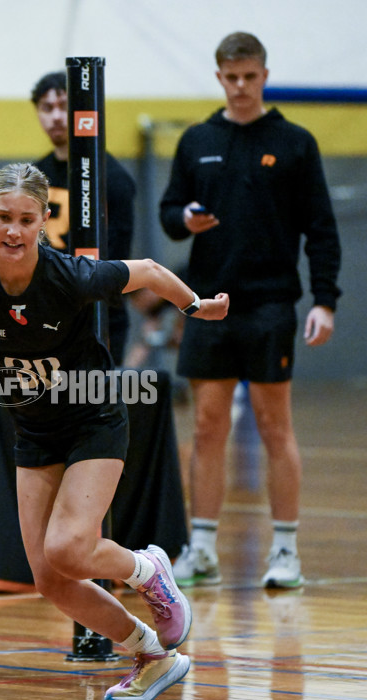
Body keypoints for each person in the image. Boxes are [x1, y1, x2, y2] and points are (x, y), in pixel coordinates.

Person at [0, 162, 229, 700]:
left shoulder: (69, 275)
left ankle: (148, 570)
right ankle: (151, 657)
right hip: (35, 430)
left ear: (44, 220)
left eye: (27, 219)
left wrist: (194, 306)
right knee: (49, 578)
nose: (14, 231)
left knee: (71, 547)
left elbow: (147, 271)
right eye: (4, 218)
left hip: (93, 415)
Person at [159, 32, 342, 589]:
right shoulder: (196, 140)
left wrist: (326, 301)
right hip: (207, 305)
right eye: (231, 77)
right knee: (208, 426)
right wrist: (184, 219)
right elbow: (169, 211)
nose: (240, 86)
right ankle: (204, 548)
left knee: (273, 425)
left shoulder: (294, 142)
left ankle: (285, 551)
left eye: (250, 77)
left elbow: (321, 230)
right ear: (219, 77)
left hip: (270, 307)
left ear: (264, 75)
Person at [30, 71, 136, 365]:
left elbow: (118, 257)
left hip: (99, 316)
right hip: (45, 316)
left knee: (94, 404)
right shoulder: (33, 177)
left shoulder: (112, 178)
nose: (56, 117)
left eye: (64, 106)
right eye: (47, 108)